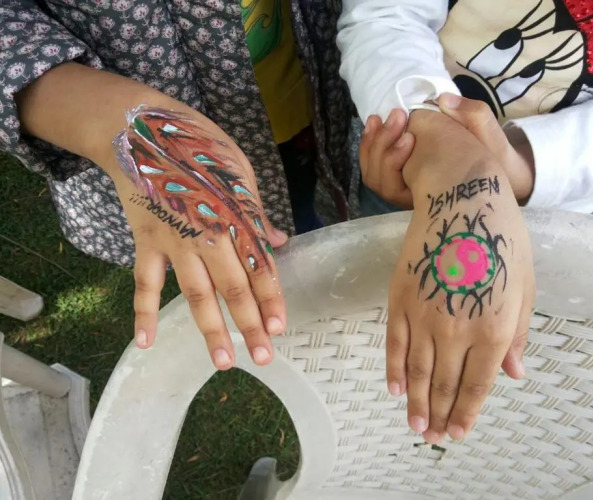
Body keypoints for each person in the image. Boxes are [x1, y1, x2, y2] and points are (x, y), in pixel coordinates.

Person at [337, 0, 593, 444]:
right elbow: (386, 12)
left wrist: (529, 165)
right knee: (383, 304)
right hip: (411, 158)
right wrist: (434, 140)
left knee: (492, 338)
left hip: (553, 197)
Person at [0, 0, 355, 370]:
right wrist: (113, 122)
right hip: (113, 152)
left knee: (298, 216)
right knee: (208, 256)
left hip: (300, 93)